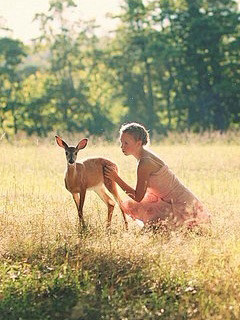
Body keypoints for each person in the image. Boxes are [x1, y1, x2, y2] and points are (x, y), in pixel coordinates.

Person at [104, 122, 210, 229]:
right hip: (177, 202)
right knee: (134, 205)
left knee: (134, 206)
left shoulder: (145, 163)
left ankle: (168, 227)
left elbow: (138, 197)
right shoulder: (145, 156)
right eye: (121, 142)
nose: (122, 146)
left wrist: (116, 178)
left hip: (185, 209)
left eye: (126, 143)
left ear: (138, 143)